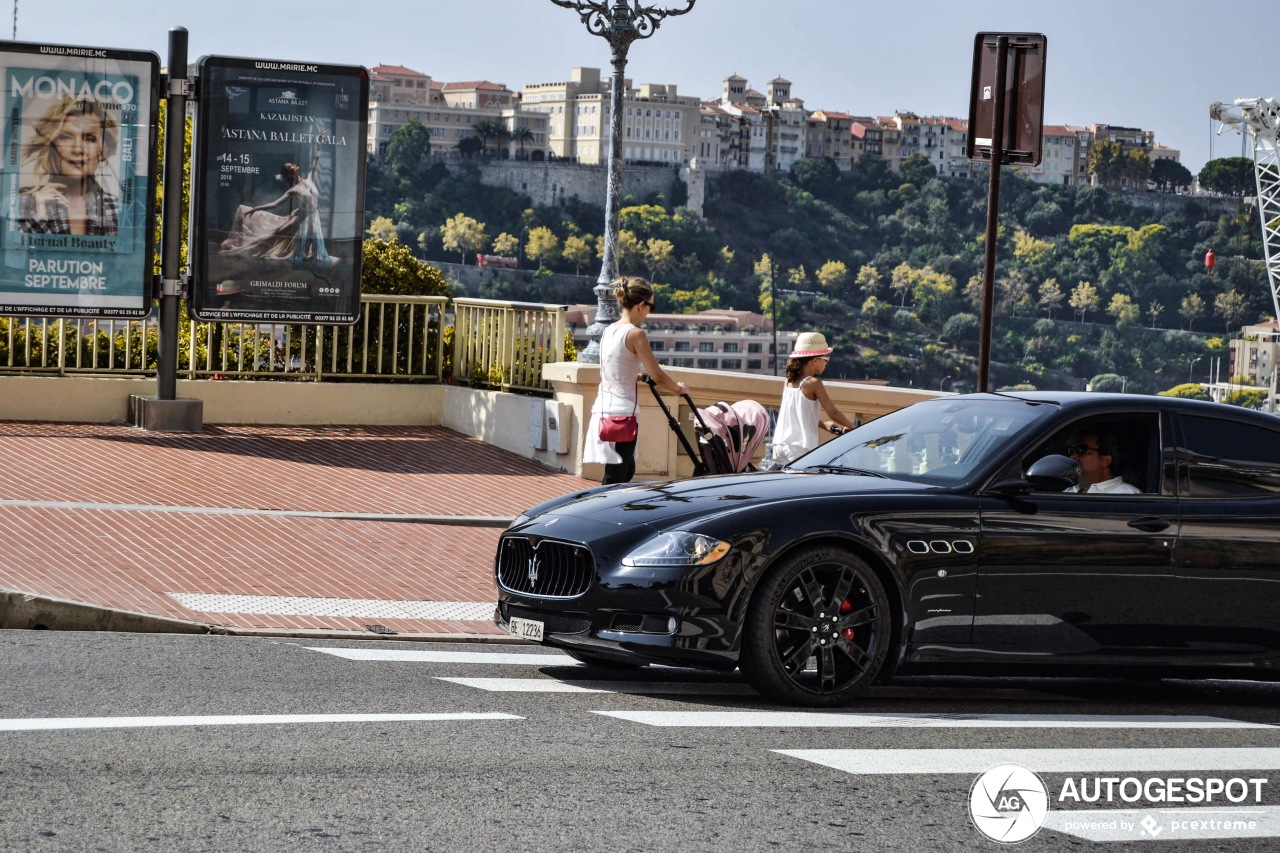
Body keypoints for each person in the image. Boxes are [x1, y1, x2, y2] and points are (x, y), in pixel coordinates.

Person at [582, 276, 687, 484]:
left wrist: (636, 376)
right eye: (651, 306)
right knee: (616, 476)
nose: (649, 311)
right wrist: (678, 388)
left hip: (604, 409)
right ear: (641, 305)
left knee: (625, 470)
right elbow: (657, 374)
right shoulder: (635, 334)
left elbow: (612, 368)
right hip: (623, 414)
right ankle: (603, 513)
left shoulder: (609, 330)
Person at [219, 127, 331, 264]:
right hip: (302, 218)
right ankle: (239, 250)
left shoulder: (309, 180)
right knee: (273, 236)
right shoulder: (294, 190)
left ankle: (308, 256)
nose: (295, 165)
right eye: (291, 166)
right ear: (290, 173)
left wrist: (318, 143)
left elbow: (316, 161)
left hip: (314, 216)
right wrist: (255, 209)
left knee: (313, 247)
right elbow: (275, 204)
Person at [17, 96, 119, 236]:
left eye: (89, 139)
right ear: (52, 145)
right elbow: (16, 256)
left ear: (103, 150)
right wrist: (39, 219)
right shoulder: (21, 203)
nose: (77, 149)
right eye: (66, 137)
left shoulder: (118, 208)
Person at [770, 331, 858, 466]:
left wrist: (824, 425)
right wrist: (853, 427)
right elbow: (833, 412)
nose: (826, 363)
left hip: (780, 444)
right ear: (815, 360)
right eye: (826, 359)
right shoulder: (813, 383)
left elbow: (799, 413)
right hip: (799, 447)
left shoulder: (789, 380)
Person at [1064, 430, 1140, 494]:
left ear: (1105, 461)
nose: (1073, 456)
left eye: (1081, 450)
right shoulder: (1067, 492)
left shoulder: (1127, 494)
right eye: (1071, 450)